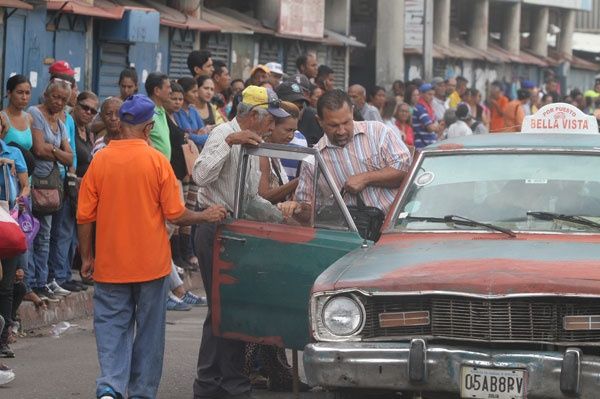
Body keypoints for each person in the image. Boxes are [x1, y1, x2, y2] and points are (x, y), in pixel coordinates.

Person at [77, 94, 227, 399]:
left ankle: (111, 387)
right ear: (148, 129)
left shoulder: (101, 160)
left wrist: (88, 256)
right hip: (151, 266)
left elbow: (84, 216)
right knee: (149, 332)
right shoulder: (157, 161)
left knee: (111, 327)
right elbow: (176, 214)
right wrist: (205, 214)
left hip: (110, 264)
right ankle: (142, 392)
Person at [191, 85, 289, 399]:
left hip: (236, 229)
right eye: (269, 119)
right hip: (212, 226)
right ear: (251, 116)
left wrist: (281, 217)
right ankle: (218, 383)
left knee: (230, 309)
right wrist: (230, 143)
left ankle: (217, 383)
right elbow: (200, 176)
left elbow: (249, 198)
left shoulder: (253, 143)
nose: (272, 126)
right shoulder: (224, 133)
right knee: (222, 309)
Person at [280, 89, 412, 221]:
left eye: (346, 122)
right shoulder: (313, 159)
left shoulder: (379, 133)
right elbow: (307, 209)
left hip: (394, 225)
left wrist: (366, 178)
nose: (341, 131)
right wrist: (296, 208)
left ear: (352, 111)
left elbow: (406, 173)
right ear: (319, 121)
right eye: (333, 125)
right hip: (353, 234)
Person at [27, 80, 74, 302]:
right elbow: (37, 149)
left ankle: (42, 281)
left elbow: (70, 157)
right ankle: (32, 283)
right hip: (34, 183)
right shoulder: (35, 114)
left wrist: (52, 149)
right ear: (46, 94)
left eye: (63, 100)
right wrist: (58, 152)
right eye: (55, 97)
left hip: (52, 188)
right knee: (32, 234)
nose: (58, 102)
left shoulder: (61, 124)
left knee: (46, 235)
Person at [0, 113, 30, 358]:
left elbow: (24, 187)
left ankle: (3, 339)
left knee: (9, 284)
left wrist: (20, 199)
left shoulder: (13, 153)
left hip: (7, 221)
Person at [258, 101, 301, 204]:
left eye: (294, 131)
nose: (291, 136)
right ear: (272, 125)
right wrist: (300, 180)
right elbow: (263, 197)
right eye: (288, 130)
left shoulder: (274, 152)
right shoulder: (261, 154)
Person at [2, 75, 34, 157]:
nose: (24, 97)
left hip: (25, 169)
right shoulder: (2, 118)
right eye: (20, 92)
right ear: (9, 93)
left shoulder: (29, 118)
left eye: (27, 93)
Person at [145, 72, 172, 160]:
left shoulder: (161, 109)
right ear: (157, 91)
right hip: (154, 165)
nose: (170, 91)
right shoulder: (147, 112)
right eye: (168, 87)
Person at [175, 77, 207, 146]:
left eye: (197, 92)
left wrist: (190, 136)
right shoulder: (176, 112)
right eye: (193, 92)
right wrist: (197, 134)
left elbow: (206, 137)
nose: (197, 95)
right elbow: (181, 136)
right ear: (184, 93)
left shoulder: (193, 111)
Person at [412, 83, 441, 149]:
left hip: (430, 145)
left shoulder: (429, 108)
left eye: (433, 94)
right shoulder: (419, 108)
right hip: (422, 146)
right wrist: (436, 127)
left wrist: (436, 127)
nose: (432, 97)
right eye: (429, 94)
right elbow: (430, 128)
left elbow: (436, 127)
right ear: (422, 94)